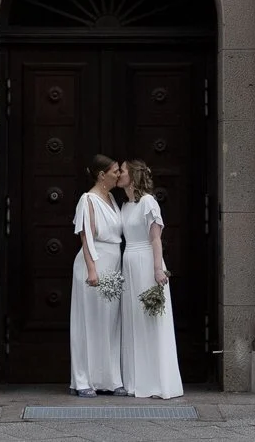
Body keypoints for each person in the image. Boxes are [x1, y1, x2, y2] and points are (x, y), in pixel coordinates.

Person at [118, 159, 183, 399]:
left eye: (122, 171)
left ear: (133, 176)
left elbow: (156, 239)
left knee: (151, 320)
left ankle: (158, 383)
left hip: (147, 262)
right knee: (133, 320)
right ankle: (136, 382)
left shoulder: (148, 203)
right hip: (129, 262)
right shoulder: (125, 206)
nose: (119, 174)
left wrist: (158, 270)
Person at [69, 154, 125, 397]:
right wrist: (92, 269)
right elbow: (86, 235)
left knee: (109, 322)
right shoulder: (88, 199)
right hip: (94, 261)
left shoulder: (111, 197)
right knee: (89, 321)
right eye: (114, 171)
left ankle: (110, 379)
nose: (119, 174)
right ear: (102, 175)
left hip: (113, 262)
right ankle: (83, 380)